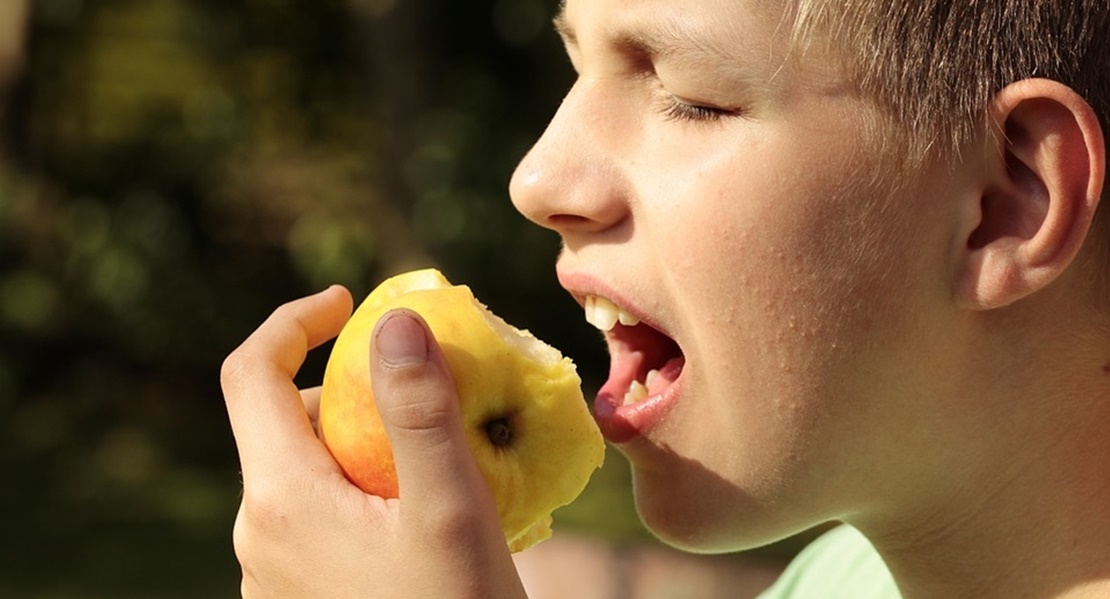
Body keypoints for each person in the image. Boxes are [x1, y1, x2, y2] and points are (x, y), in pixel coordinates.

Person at [220, 0, 1110, 597]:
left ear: (1004, 203)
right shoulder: (832, 580)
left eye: (689, 98)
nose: (537, 178)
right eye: (573, 65)